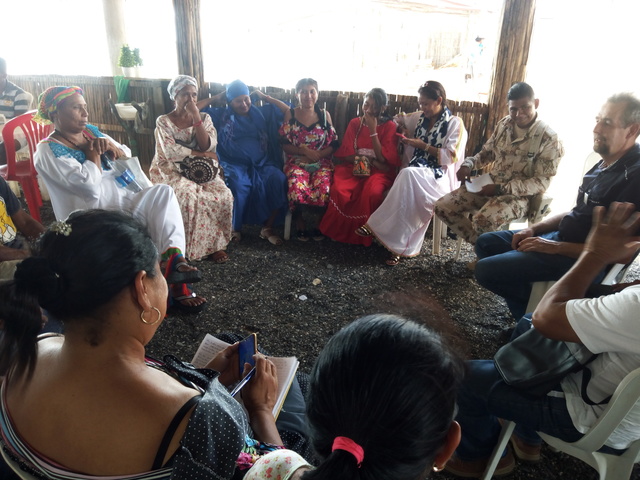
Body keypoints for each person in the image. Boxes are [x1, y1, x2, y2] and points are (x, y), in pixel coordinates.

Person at [0, 209, 290, 479]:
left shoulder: (28, 353)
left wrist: (201, 376)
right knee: (294, 396)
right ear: (141, 288)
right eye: (160, 273)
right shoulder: (198, 420)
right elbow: (269, 471)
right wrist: (261, 410)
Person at [445, 202, 640, 478]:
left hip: (597, 420)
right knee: (525, 324)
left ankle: (480, 457)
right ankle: (526, 436)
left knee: (463, 377)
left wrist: (595, 254)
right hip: (627, 415)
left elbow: (546, 317)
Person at [32, 86, 206, 314]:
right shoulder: (47, 151)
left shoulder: (91, 132)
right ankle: (175, 286)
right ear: (55, 113)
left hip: (124, 199)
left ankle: (175, 260)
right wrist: (92, 155)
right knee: (144, 222)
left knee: (162, 193)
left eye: (84, 107)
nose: (85, 113)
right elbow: (88, 189)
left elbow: (123, 151)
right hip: (93, 213)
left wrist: (114, 148)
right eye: (76, 108)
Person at [473, 92, 640, 321]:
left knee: (486, 270)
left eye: (607, 123)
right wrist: (535, 230)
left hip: (581, 260)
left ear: (632, 130)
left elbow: (622, 252)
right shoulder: (604, 163)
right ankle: (529, 309)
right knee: (486, 243)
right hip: (558, 239)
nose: (597, 128)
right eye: (598, 119)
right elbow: (575, 211)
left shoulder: (635, 177)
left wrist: (552, 247)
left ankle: (537, 319)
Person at [245, 314, 464, 479]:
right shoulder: (277, 464)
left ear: (312, 416)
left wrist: (261, 410)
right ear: (447, 447)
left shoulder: (270, 467)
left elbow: (280, 465)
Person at [434, 82, 563, 244]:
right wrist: (469, 165)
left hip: (520, 197)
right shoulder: (505, 124)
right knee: (442, 207)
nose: (518, 114)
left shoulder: (548, 138)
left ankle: (488, 252)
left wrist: (502, 188)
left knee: (482, 220)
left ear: (536, 103)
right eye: (513, 109)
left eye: (525, 107)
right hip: (489, 186)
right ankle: (484, 246)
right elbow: (488, 153)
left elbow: (541, 182)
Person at [355, 81, 468, 265]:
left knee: (407, 175)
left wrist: (422, 146)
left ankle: (374, 225)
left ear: (439, 100)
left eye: (426, 104)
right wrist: (402, 129)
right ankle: (399, 248)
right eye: (420, 103)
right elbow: (398, 118)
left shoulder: (455, 124)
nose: (422, 108)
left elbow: (450, 156)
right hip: (416, 173)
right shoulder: (420, 117)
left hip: (440, 177)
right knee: (408, 187)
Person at [150, 75, 234, 263]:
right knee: (188, 194)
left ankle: (215, 245)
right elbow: (171, 152)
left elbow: (208, 146)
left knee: (223, 194)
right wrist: (203, 155)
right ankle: (183, 249)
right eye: (185, 94)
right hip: (171, 168)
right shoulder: (164, 121)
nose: (191, 99)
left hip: (200, 168)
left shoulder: (205, 118)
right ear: (175, 96)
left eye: (194, 94)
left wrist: (196, 117)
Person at [198, 80, 289, 245]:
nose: (244, 104)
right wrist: (216, 98)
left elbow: (287, 110)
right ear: (230, 101)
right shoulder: (220, 115)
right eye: (238, 100)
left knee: (278, 180)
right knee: (239, 185)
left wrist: (265, 97)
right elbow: (193, 111)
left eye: (246, 99)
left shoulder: (262, 113)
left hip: (262, 163)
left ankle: (267, 227)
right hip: (234, 163)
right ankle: (235, 228)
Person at [319, 88, 401, 245]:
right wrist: (369, 160)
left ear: (383, 108)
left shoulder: (389, 126)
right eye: (366, 105)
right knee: (340, 190)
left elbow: (383, 159)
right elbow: (346, 154)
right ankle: (339, 233)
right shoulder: (355, 123)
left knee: (372, 193)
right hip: (354, 166)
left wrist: (372, 130)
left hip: (379, 173)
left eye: (374, 106)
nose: (368, 110)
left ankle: (366, 234)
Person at [279, 78, 338, 241]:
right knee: (296, 185)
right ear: (297, 94)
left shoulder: (325, 116)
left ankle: (320, 222)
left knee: (324, 185)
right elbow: (284, 144)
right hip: (297, 161)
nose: (308, 95)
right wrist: (302, 152)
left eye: (312, 91)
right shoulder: (290, 115)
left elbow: (334, 144)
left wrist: (318, 155)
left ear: (317, 94)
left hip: (321, 162)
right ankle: (299, 221)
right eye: (303, 92)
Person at [0, 176, 44, 280]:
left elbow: (25, 222)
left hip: (17, 251)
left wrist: (48, 240)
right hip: (3, 262)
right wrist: (31, 255)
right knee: (42, 274)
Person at [0, 57, 32, 165]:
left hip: (17, 135)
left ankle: (4, 179)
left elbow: (18, 125)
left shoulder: (19, 95)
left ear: (4, 75)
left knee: (1, 151)